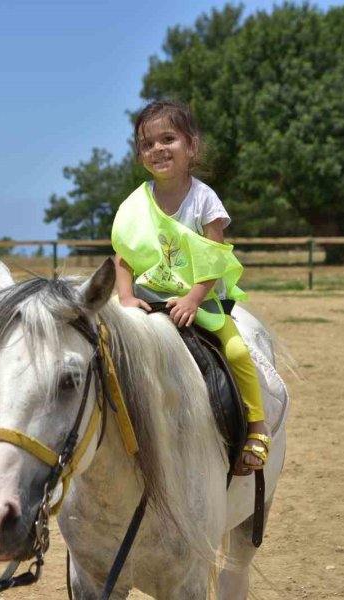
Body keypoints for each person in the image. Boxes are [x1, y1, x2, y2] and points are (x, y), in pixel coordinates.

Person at [111, 100, 270, 475]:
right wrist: (126, 298)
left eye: (168, 138)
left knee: (236, 351)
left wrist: (194, 297)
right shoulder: (135, 205)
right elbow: (123, 257)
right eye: (147, 144)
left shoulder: (204, 199)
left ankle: (256, 427)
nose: (158, 149)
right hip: (147, 303)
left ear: (191, 146)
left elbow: (214, 256)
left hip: (197, 300)